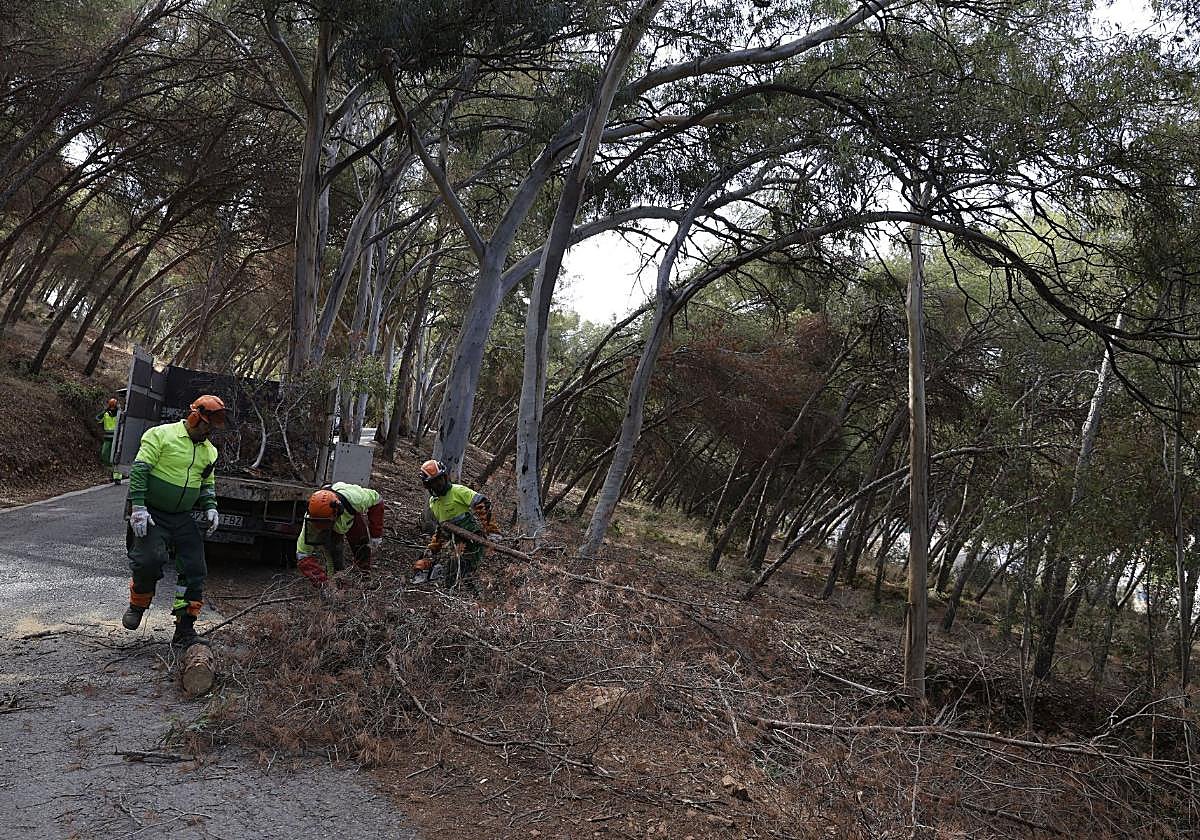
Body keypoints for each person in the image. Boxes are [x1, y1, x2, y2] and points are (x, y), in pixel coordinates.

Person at [121, 395, 228, 646]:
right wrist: (138, 507)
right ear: (194, 417)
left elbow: (207, 483)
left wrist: (211, 507)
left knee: (195, 569)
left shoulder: (210, 451)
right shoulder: (161, 435)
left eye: (212, 429)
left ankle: (184, 628)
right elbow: (140, 470)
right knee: (149, 561)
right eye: (207, 426)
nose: (209, 432)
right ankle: (138, 604)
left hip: (182, 517)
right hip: (153, 513)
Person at [414, 459, 498, 587]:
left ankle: (471, 590)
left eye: (440, 479)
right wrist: (434, 546)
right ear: (428, 485)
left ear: (445, 477)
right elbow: (442, 527)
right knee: (426, 560)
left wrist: (491, 530)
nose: (438, 484)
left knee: (458, 569)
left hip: (472, 538)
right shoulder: (434, 502)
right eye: (434, 482)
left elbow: (482, 502)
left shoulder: (458, 491)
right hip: (453, 540)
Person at [295, 483, 385, 586]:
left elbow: (377, 500)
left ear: (337, 511)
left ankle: (364, 577)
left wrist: (376, 534)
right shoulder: (311, 519)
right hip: (333, 526)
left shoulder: (355, 499)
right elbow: (303, 554)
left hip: (349, 515)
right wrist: (323, 582)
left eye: (323, 523)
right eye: (318, 522)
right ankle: (336, 581)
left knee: (361, 545)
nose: (320, 526)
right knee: (334, 555)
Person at [96, 398, 122, 484]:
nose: (112, 408)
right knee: (105, 455)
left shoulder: (120, 414)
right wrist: (104, 411)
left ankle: (117, 477)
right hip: (107, 438)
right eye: (111, 407)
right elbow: (97, 418)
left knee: (116, 457)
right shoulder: (106, 414)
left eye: (113, 406)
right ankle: (111, 473)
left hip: (117, 439)